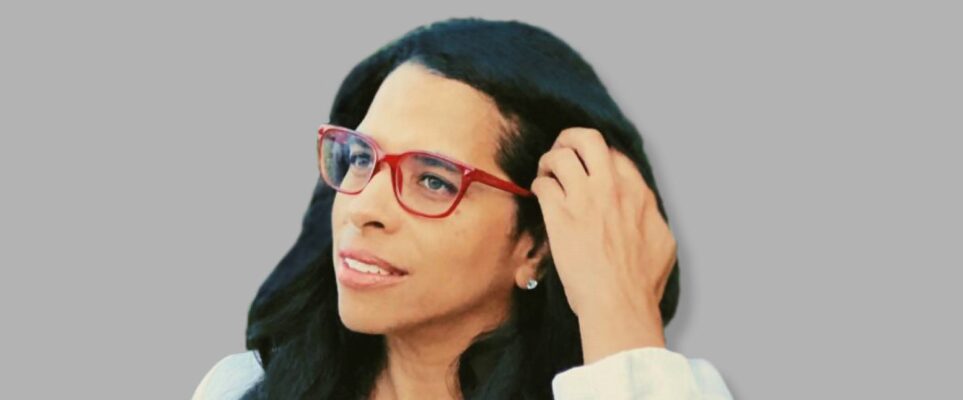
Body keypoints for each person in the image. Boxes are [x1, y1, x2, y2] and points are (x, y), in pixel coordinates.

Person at [193, 17, 734, 399]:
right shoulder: (239, 389)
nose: (361, 208)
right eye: (360, 158)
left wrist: (622, 327)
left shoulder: (650, 388)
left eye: (433, 180)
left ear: (538, 247)